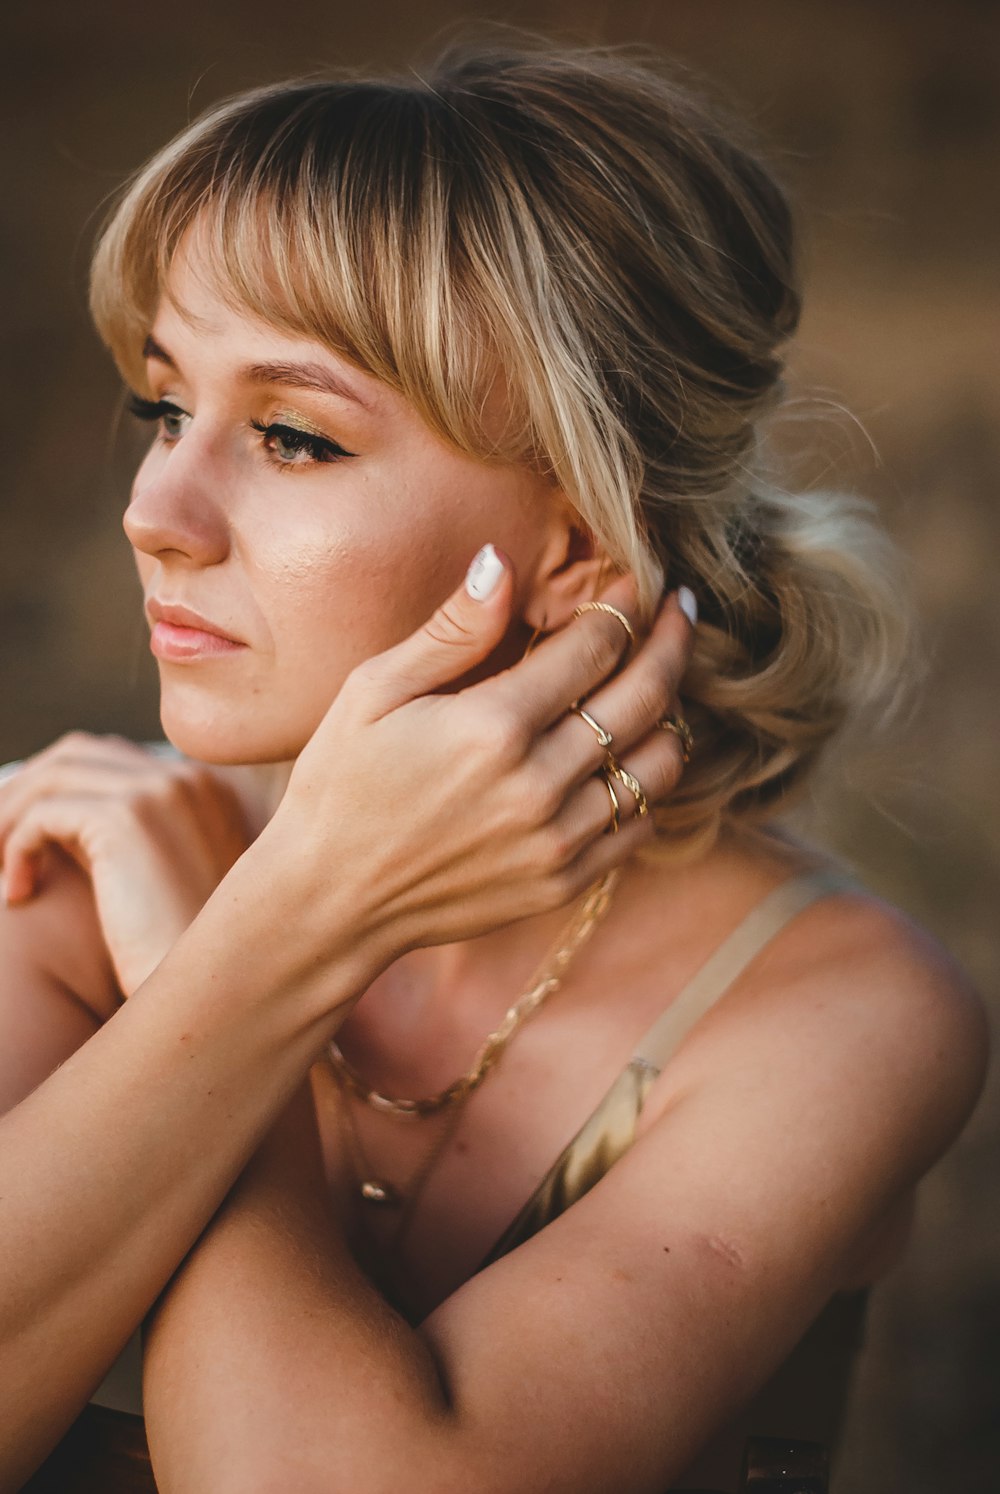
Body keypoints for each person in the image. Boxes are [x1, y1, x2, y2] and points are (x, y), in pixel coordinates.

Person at [0, 39, 987, 1494]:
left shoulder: (838, 1012)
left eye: (289, 432)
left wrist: (243, 955)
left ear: (579, 534)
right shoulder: (92, 846)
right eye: (164, 404)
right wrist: (268, 939)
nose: (156, 508)